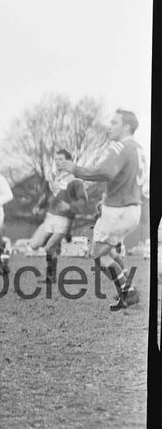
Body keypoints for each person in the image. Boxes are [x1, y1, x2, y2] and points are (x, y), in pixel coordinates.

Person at [57, 108, 142, 310]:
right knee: (109, 251)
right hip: (132, 209)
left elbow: (106, 172)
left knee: (97, 255)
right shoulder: (138, 148)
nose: (109, 126)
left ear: (126, 126)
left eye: (114, 122)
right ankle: (128, 290)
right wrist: (107, 198)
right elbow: (124, 178)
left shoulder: (120, 146)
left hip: (117, 211)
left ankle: (128, 292)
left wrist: (75, 169)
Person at [29, 149, 87, 283]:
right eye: (56, 159)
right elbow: (47, 195)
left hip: (64, 219)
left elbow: (83, 201)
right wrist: (39, 206)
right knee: (34, 245)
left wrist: (71, 206)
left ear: (68, 161)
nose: (58, 162)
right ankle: (62, 240)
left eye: (61, 159)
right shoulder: (52, 177)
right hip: (50, 217)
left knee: (49, 247)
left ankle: (51, 277)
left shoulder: (75, 180)